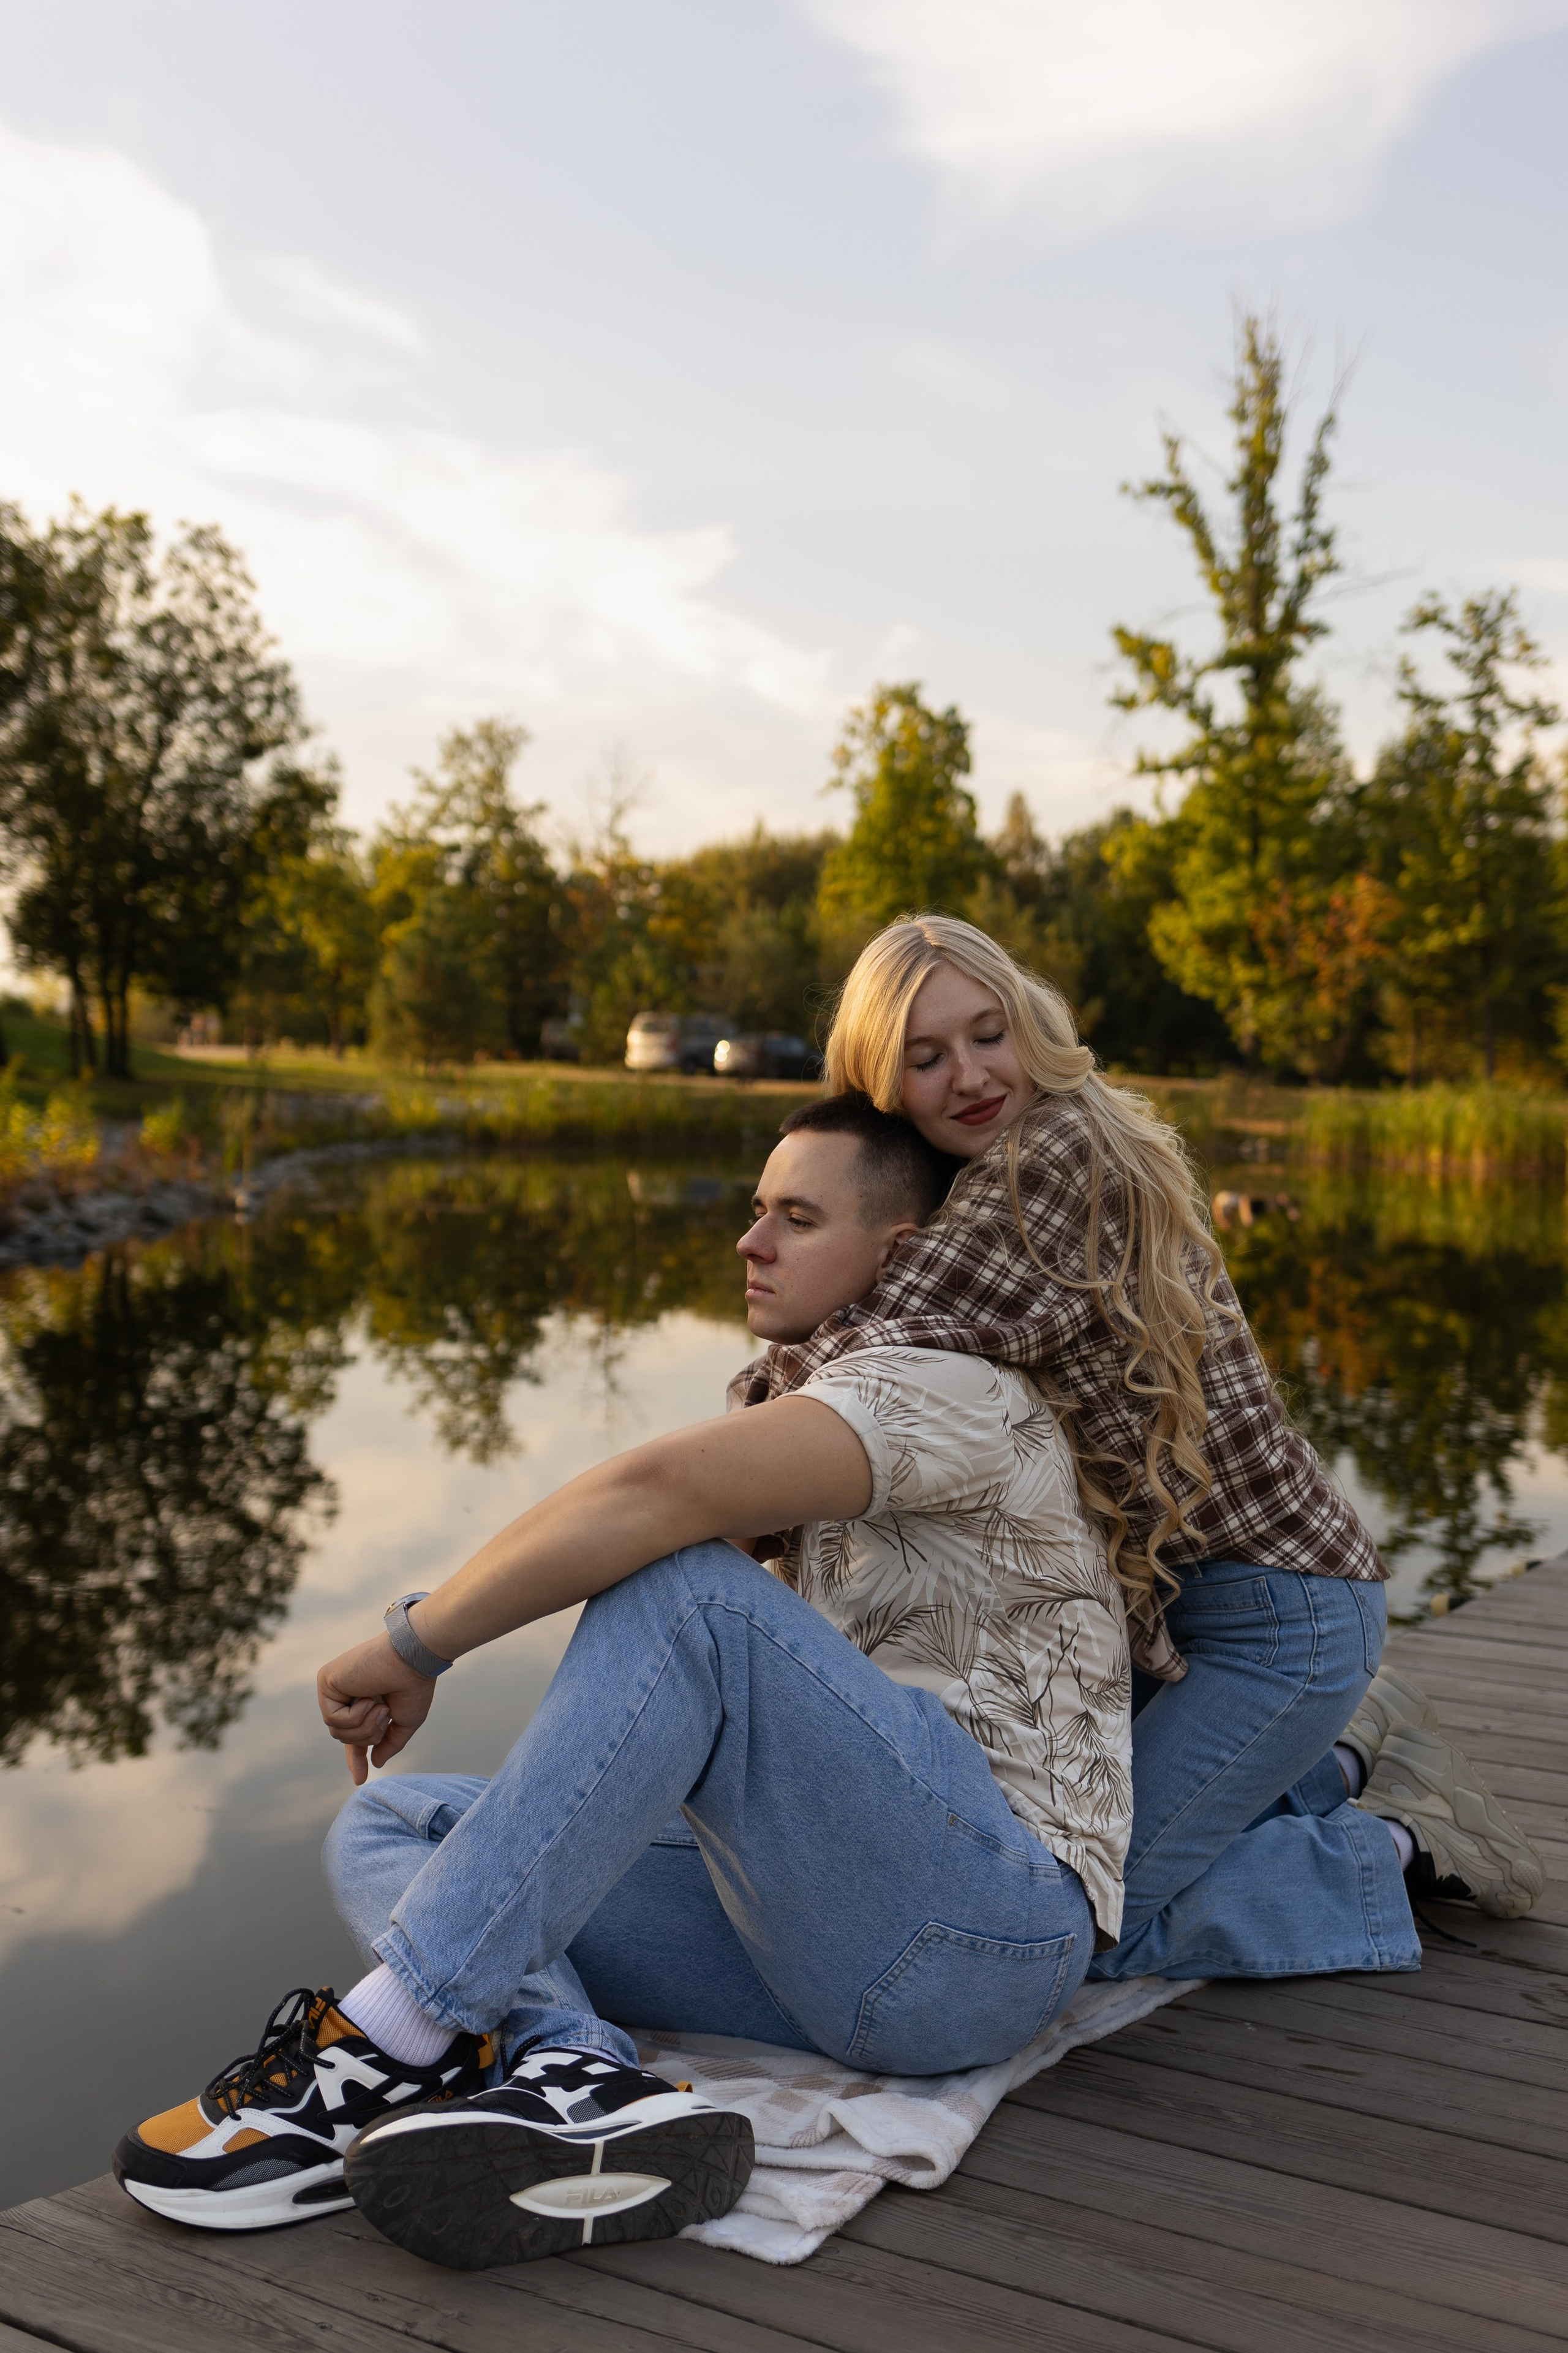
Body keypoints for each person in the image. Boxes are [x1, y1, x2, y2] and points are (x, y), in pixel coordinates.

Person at [113, 1093, 1133, 2274]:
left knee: (686, 1586)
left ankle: (387, 2042)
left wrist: (415, 1643)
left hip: (983, 1937)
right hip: (829, 1939)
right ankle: (577, 2073)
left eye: (798, 1218)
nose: (751, 1240)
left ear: (899, 1251)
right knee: (398, 1820)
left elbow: (649, 1499)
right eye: (757, 1209)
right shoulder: (824, 1403)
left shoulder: (951, 1386)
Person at [735, 915, 1543, 1987]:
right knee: (1102, 1859)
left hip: (1277, 1621)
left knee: (1076, 1924)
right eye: (926, 1057)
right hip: (1170, 1614)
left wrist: (723, 1471)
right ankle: (1336, 1757)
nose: (971, 1075)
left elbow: (862, 1348)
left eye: (989, 1034)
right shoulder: (983, 1169)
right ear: (877, 1083)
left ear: (1028, 1024)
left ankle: (1390, 1846)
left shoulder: (1054, 1160)